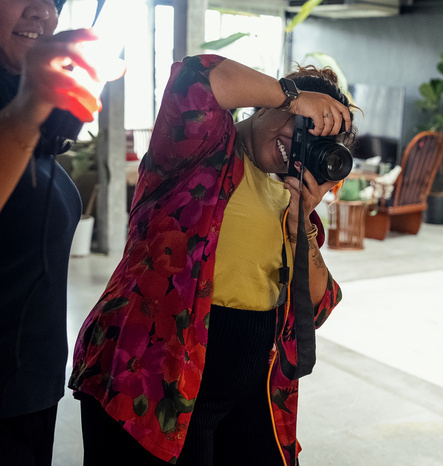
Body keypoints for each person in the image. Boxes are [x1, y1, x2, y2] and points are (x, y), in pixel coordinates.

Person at [70, 53, 356, 466]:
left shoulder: (291, 195)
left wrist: (302, 222)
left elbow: (318, 305)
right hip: (151, 380)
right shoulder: (202, 148)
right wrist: (295, 96)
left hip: (248, 395)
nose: (298, 140)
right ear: (269, 105)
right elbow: (196, 76)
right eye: (301, 123)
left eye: (315, 138)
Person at [0, 1, 103, 465]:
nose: (42, 10)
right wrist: (27, 111)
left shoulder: (24, 99)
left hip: (31, 391)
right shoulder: (21, 109)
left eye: (56, 0)